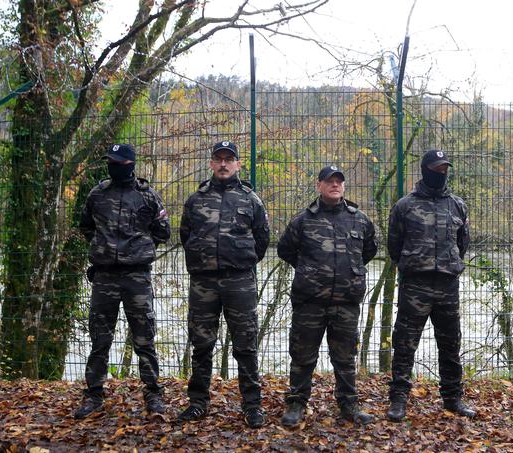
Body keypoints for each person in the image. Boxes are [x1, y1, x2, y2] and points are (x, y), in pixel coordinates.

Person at [74, 143, 171, 419]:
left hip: (136, 276)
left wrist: (138, 248)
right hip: (104, 276)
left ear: (130, 164)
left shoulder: (147, 196)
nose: (112, 166)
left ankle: (153, 393)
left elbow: (163, 231)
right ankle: (93, 394)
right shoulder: (97, 194)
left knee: (144, 337)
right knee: (99, 338)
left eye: (117, 161)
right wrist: (103, 247)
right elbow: (85, 226)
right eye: (110, 161)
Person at [178, 140, 270, 429]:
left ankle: (252, 406)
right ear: (211, 163)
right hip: (204, 282)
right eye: (218, 159)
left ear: (238, 164)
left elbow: (262, 238)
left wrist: (241, 260)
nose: (223, 164)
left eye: (229, 159)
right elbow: (185, 234)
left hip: (239, 281)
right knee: (202, 344)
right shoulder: (196, 199)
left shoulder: (250, 199)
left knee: (245, 344)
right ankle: (197, 403)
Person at [277, 165, 378, 427]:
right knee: (302, 355)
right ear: (319, 185)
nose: (335, 185)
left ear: (344, 186)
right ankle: (296, 403)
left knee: (345, 357)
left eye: (339, 181)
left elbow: (368, 252)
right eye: (329, 181)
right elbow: (286, 250)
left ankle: (349, 404)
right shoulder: (302, 221)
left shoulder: (360, 220)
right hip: (310, 302)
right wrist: (311, 273)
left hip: (345, 302)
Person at [386, 149, 476, 421]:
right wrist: (416, 265)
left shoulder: (458, 205)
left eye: (445, 169)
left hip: (447, 285)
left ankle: (453, 399)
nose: (441, 173)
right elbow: (394, 246)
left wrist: (448, 265)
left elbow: (463, 244)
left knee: (450, 344)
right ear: (425, 170)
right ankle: (398, 400)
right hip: (415, 285)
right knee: (404, 344)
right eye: (436, 169)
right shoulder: (405, 206)